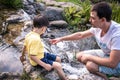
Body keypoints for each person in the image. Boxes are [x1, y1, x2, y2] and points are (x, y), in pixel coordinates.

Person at [50, 2, 120, 80]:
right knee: (79, 56)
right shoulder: (98, 27)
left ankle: (107, 77)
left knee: (90, 65)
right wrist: (61, 39)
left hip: (117, 62)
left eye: (93, 18)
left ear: (103, 20)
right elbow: (81, 35)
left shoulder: (117, 35)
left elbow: (112, 63)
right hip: (107, 54)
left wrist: (90, 57)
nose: (90, 20)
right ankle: (101, 71)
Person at [20, 15, 67, 80]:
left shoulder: (29, 34)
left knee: (58, 59)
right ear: (43, 28)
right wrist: (45, 65)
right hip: (37, 61)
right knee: (58, 66)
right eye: (46, 28)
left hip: (41, 54)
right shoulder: (35, 39)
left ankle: (59, 72)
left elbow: (24, 46)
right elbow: (32, 56)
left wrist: (22, 56)